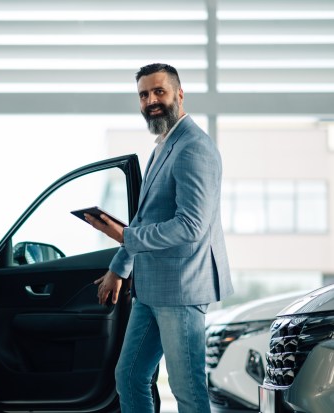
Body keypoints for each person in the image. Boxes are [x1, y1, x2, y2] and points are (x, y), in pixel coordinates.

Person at [84, 63, 234, 413]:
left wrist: (123, 235)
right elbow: (145, 217)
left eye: (159, 92)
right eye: (144, 95)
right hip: (151, 290)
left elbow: (191, 226)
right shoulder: (163, 145)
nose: (151, 100)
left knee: (188, 391)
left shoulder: (195, 148)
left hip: (182, 289)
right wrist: (118, 269)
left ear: (179, 95)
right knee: (130, 377)